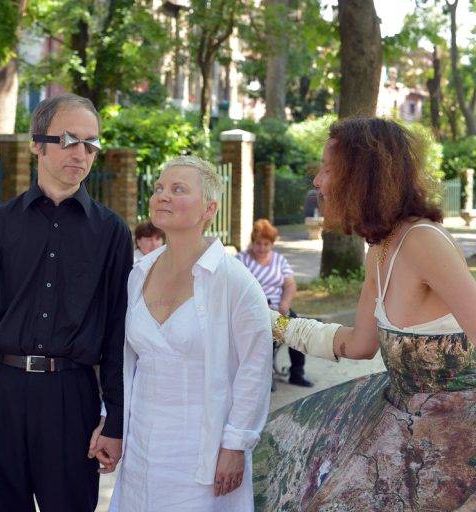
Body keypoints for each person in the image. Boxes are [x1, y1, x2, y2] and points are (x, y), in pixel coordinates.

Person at [255, 118, 476, 511]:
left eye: (328, 169)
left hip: (455, 450)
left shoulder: (424, 240)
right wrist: (274, 324)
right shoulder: (380, 248)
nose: (317, 181)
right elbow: (359, 344)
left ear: (362, 177)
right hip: (406, 432)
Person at [0, 93, 133, 512]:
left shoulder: (112, 233)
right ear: (37, 145)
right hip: (1, 394)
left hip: (72, 396)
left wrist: (115, 420)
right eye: (69, 139)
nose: (81, 153)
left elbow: (118, 332)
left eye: (91, 143)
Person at [108, 156, 272, 512]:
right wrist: (112, 423)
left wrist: (235, 444)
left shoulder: (234, 281)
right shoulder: (139, 273)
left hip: (202, 452)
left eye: (178, 189)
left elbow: (255, 366)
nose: (162, 196)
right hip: (141, 445)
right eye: (159, 188)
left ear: (209, 209)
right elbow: (124, 362)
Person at [237, 219, 313, 388]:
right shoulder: (242, 260)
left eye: (266, 244)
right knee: (266, 335)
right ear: (252, 242)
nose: (262, 248)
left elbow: (290, 284)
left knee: (296, 331)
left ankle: (297, 373)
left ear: (272, 244)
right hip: (252, 312)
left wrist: (285, 304)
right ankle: (265, 378)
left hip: (279, 311)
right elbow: (235, 288)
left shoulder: (279, 260)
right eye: (258, 243)